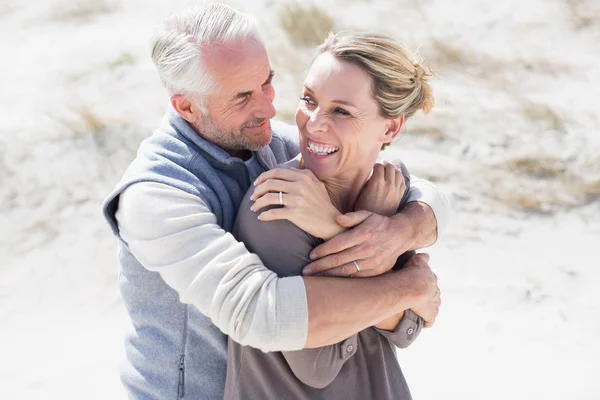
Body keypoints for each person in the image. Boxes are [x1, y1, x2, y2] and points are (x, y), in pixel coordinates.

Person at [101, 4, 450, 399]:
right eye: (243, 96)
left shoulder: (264, 138)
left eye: (268, 82)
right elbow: (264, 316)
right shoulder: (154, 197)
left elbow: (420, 191)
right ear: (186, 106)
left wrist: (396, 228)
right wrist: (408, 286)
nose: (269, 107)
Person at [224, 31, 437, 400]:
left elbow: (410, 328)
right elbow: (317, 363)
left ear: (390, 127)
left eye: (341, 111)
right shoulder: (276, 208)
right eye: (309, 100)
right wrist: (408, 285)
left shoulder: (389, 186)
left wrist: (367, 226)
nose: (313, 123)